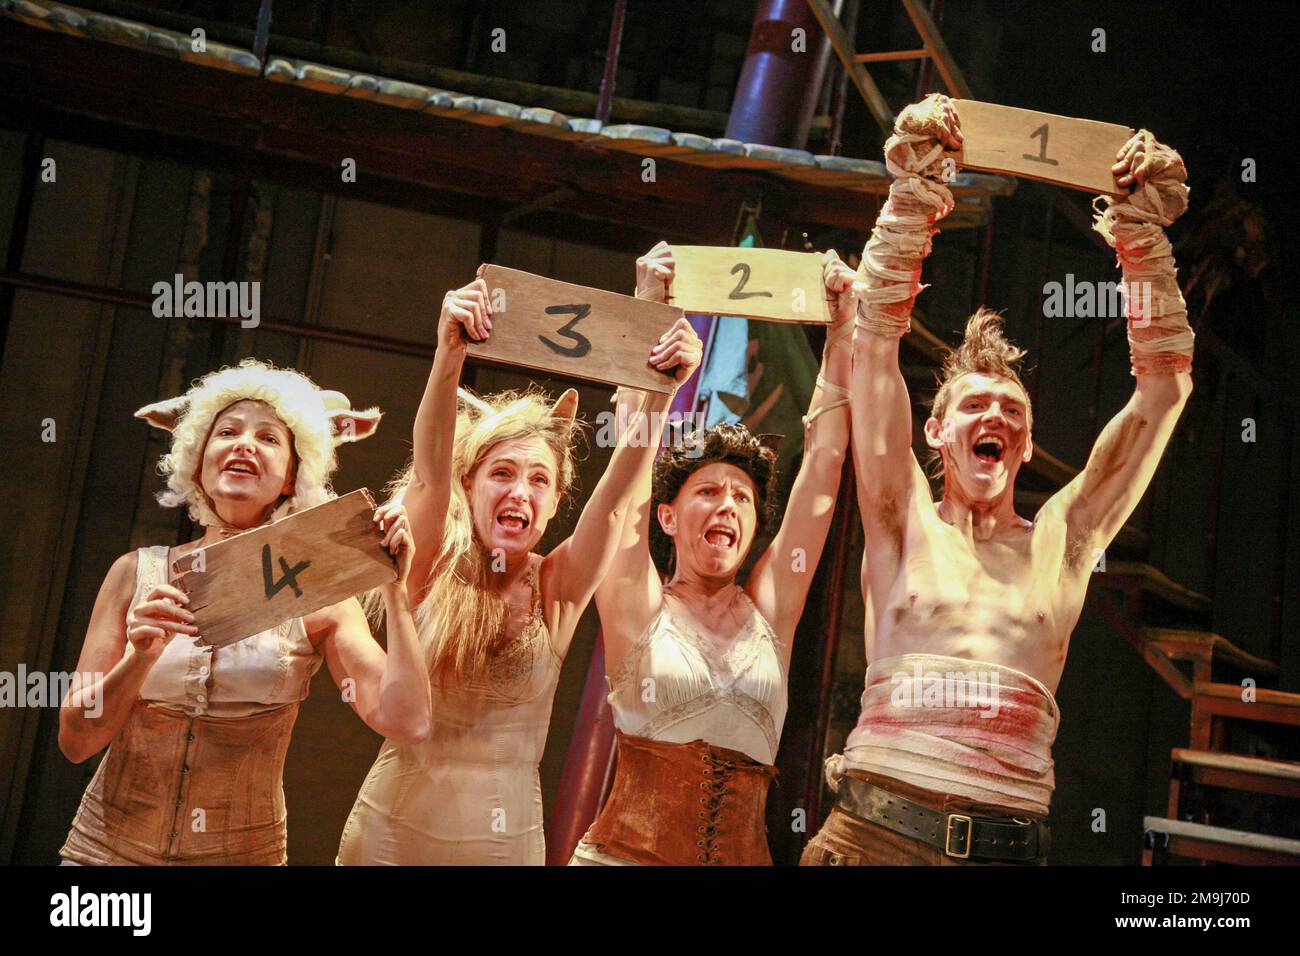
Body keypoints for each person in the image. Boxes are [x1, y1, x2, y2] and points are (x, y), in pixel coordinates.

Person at [802, 95, 1194, 865]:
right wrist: (912, 192)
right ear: (936, 433)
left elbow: (1164, 389)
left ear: (1025, 443)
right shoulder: (900, 518)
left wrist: (1142, 241)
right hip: (874, 840)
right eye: (974, 405)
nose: (997, 417)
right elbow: (875, 348)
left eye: (1012, 410)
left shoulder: (1063, 541)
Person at [337, 276, 703, 864]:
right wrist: (448, 351)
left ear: (557, 502)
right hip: (390, 839)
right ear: (469, 485)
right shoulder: (428, 564)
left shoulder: (556, 588)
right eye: (502, 473)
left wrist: (660, 394)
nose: (520, 492)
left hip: (505, 847)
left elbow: (617, 496)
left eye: (539, 480)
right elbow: (429, 473)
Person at [58, 359, 430, 865]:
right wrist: (139, 658)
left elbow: (406, 722)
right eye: (227, 431)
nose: (244, 444)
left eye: (269, 438)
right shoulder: (135, 574)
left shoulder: (322, 595)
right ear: (197, 460)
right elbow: (76, 741)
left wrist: (393, 589)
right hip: (106, 854)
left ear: (293, 477)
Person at [569, 240, 855, 865]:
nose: (728, 504)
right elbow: (626, 473)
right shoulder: (635, 603)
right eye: (708, 492)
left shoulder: (772, 613)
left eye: (743, 498)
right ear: (667, 517)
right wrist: (648, 312)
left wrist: (842, 334)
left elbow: (825, 466)